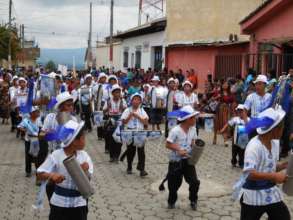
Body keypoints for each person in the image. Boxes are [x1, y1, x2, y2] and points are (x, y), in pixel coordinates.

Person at [238, 107, 290, 220]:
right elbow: (249, 174)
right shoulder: (254, 146)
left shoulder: (275, 143)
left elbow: (268, 165)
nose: (284, 129)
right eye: (282, 127)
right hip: (253, 194)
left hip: (270, 192)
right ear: (275, 129)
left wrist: (283, 166)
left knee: (284, 217)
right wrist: (275, 176)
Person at [37, 120, 93, 220]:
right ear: (74, 141)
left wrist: (86, 170)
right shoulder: (56, 155)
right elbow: (40, 173)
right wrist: (52, 176)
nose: (85, 141)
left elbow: (88, 179)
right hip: (59, 204)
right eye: (83, 138)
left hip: (79, 204)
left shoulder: (84, 156)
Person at [166, 105, 200, 210]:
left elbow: (193, 142)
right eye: (193, 117)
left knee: (194, 182)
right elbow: (168, 144)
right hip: (175, 161)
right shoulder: (175, 130)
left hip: (188, 161)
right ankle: (171, 201)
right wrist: (178, 150)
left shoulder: (193, 129)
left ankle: (193, 200)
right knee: (174, 184)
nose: (195, 119)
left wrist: (196, 149)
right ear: (187, 119)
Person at [121, 93, 149, 177]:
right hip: (130, 132)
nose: (136, 101)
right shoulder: (127, 110)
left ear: (140, 101)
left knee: (141, 151)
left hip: (139, 133)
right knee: (130, 151)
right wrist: (130, 115)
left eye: (138, 99)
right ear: (131, 100)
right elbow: (124, 122)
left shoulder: (141, 110)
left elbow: (146, 122)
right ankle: (129, 166)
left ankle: (142, 169)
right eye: (134, 99)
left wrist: (138, 117)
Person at [17, 106, 43, 177]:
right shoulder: (26, 120)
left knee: (36, 155)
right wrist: (24, 129)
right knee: (28, 156)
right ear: (31, 113)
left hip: (36, 140)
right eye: (36, 112)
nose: (38, 113)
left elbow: (41, 128)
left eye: (38, 111)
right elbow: (19, 126)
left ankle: (38, 169)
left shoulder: (39, 120)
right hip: (28, 140)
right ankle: (28, 171)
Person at [103, 84, 127, 161]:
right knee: (111, 139)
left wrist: (123, 108)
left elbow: (126, 111)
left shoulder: (123, 101)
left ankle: (117, 156)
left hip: (120, 120)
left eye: (119, 92)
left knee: (119, 139)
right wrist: (107, 108)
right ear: (112, 93)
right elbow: (104, 111)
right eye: (116, 92)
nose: (117, 94)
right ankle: (111, 156)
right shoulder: (109, 101)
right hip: (111, 120)